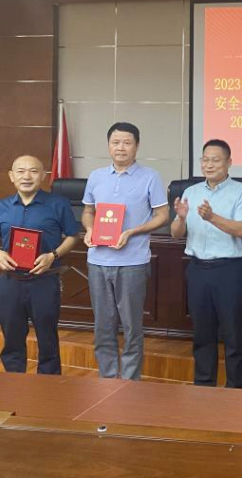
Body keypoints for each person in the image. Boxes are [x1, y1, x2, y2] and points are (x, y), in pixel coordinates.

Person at [81, 122, 169, 380]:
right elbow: (88, 211)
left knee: (132, 327)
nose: (121, 147)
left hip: (133, 262)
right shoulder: (96, 176)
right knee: (103, 326)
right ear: (108, 145)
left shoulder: (150, 176)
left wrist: (132, 232)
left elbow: (162, 216)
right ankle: (107, 378)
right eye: (115, 142)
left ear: (137, 146)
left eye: (127, 142)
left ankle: (130, 382)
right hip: (98, 261)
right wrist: (89, 229)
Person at [171, 139, 242, 388]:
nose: (209, 165)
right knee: (202, 334)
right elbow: (176, 234)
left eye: (215, 160)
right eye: (205, 160)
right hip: (197, 269)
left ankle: (236, 389)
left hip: (228, 271)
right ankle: (203, 387)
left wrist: (212, 217)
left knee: (232, 334)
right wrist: (181, 219)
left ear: (229, 163)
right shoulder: (191, 192)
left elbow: (241, 229)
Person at [0, 155, 79, 374]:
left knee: (47, 339)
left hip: (44, 281)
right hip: (11, 282)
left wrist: (53, 255)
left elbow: (73, 236)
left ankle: (48, 387)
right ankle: (14, 384)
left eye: (33, 171)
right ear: (11, 176)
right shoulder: (2, 206)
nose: (27, 176)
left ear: (43, 175)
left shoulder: (58, 204)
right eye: (21, 171)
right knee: (12, 338)